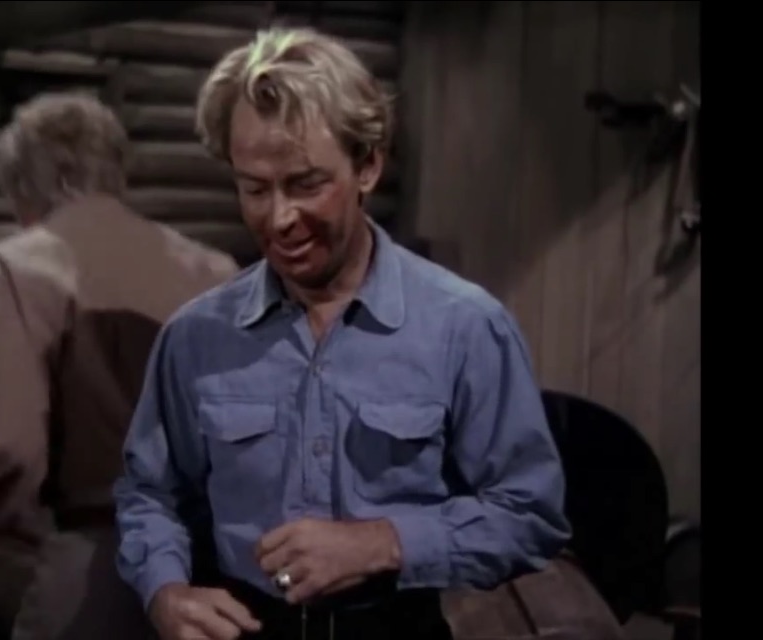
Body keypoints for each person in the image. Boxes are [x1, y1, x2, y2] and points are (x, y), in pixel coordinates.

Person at [114, 27, 573, 640]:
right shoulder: (195, 338)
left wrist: (385, 543)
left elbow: (531, 514)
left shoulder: (466, 327)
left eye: (306, 184)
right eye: (254, 189)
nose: (279, 218)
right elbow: (149, 494)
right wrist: (165, 592)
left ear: (368, 166)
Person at [0, 89, 239, 639]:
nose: (19, 218)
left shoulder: (15, 269)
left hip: (77, 577)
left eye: (16, 196)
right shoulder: (215, 272)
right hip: (201, 577)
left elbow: (3, 450)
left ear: (49, 181)